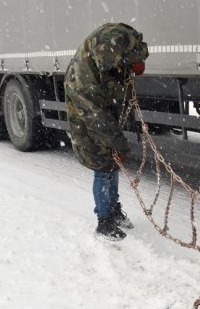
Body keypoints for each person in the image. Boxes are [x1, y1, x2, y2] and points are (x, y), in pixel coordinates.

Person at [64, 23, 149, 240]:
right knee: (103, 166)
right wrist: (118, 142)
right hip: (88, 124)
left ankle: (113, 209)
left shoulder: (118, 40)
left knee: (113, 163)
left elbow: (136, 51)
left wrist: (131, 66)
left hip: (104, 112)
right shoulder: (82, 79)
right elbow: (95, 118)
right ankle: (104, 220)